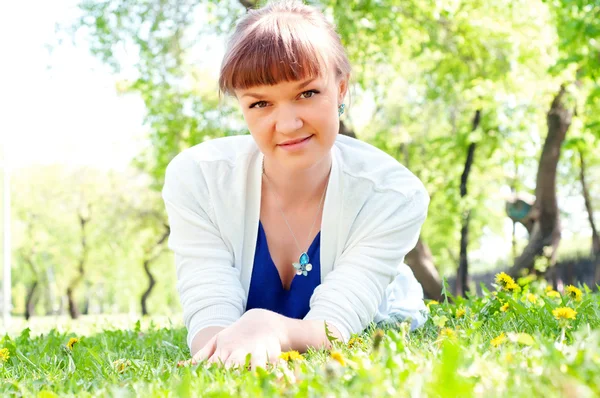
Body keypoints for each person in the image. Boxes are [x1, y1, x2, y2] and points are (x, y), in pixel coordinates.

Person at [162, 0, 430, 370]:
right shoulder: (199, 180)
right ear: (241, 107)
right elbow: (211, 319)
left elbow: (338, 325)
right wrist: (219, 350)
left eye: (307, 94)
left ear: (340, 89)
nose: (287, 124)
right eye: (260, 104)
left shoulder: (392, 194)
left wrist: (268, 327)